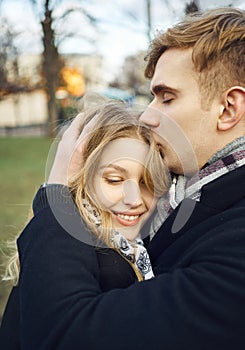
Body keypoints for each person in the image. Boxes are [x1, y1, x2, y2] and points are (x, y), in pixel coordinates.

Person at [1, 6, 245, 350]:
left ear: (228, 109)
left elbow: (65, 334)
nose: (147, 115)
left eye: (167, 97)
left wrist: (56, 196)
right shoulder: (182, 199)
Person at [0, 99, 170, 348]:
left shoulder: (129, 248)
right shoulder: (101, 265)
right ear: (82, 181)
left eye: (147, 182)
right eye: (114, 179)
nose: (134, 199)